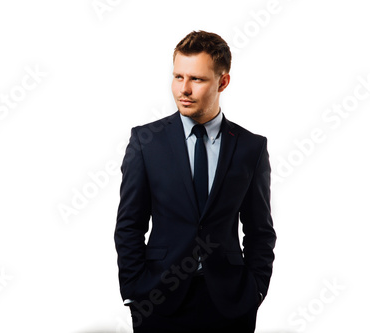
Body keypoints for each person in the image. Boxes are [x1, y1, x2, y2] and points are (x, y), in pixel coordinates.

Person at [114, 30, 276, 332]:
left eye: (197, 80)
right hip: (158, 299)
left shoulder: (250, 147)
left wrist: (255, 290)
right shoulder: (146, 142)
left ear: (223, 81)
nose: (183, 90)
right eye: (178, 77)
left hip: (230, 302)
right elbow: (129, 225)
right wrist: (135, 291)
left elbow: (260, 229)